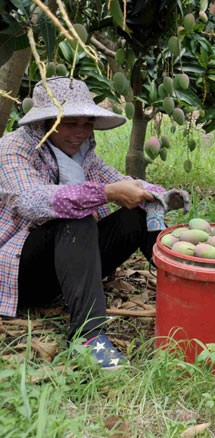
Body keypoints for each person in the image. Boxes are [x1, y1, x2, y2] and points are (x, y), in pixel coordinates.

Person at [0, 77, 190, 370]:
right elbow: (33, 203)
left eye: (86, 123)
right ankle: (89, 336)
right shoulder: (14, 148)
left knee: (140, 210)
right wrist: (105, 194)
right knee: (76, 217)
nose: (80, 133)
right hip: (20, 272)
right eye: (70, 123)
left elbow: (118, 181)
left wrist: (160, 196)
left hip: (64, 266)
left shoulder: (82, 150)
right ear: (48, 121)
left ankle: (187, 289)